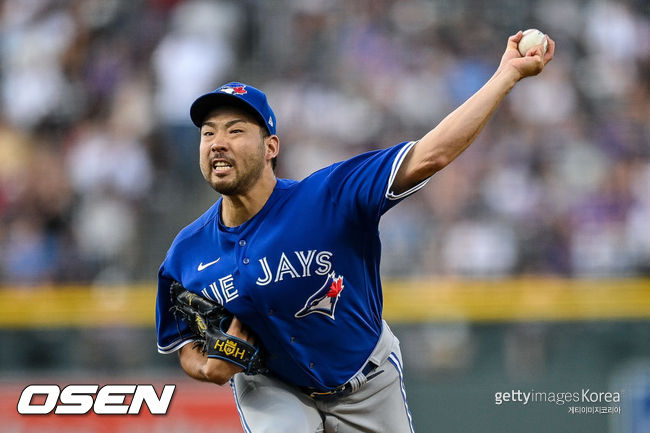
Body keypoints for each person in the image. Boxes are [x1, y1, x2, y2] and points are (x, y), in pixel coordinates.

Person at [155, 31, 555, 432]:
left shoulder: (328, 196)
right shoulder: (186, 253)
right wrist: (207, 367)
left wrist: (506, 75)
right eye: (208, 132)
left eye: (235, 130)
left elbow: (433, 153)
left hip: (368, 380)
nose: (217, 143)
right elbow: (182, 343)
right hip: (273, 386)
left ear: (271, 146)